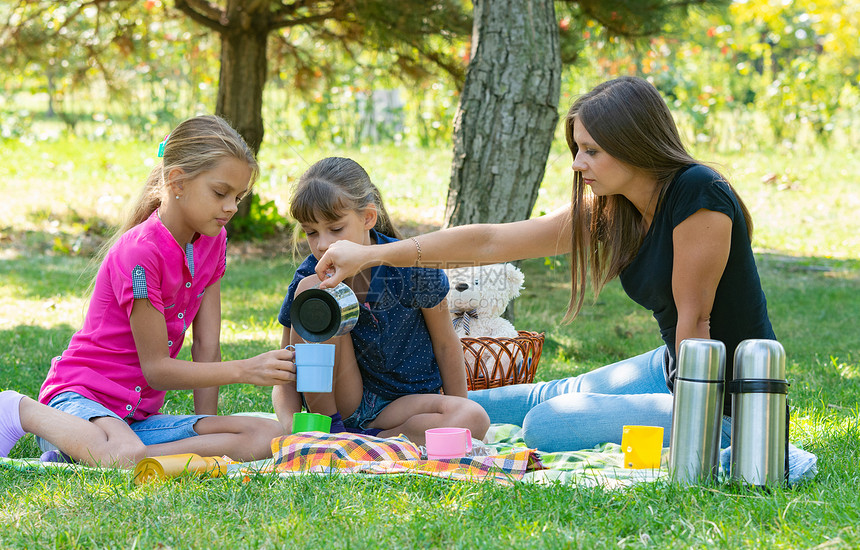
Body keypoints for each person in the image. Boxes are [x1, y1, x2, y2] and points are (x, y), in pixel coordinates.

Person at [312, 77, 777, 453]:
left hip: (724, 402)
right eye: (577, 148)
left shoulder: (698, 192)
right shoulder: (617, 208)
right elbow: (494, 241)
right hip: (671, 366)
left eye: (592, 150)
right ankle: (370, 432)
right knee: (484, 406)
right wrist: (374, 252)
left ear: (634, 143)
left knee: (548, 424)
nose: (578, 163)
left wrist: (693, 430)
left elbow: (696, 323)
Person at [0, 115, 292, 468]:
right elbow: (157, 370)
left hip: (135, 420)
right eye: (220, 193)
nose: (231, 207)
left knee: (268, 436)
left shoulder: (214, 243)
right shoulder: (140, 253)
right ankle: (18, 409)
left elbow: (207, 347)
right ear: (177, 182)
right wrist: (245, 370)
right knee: (126, 452)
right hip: (78, 400)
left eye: (238, 196)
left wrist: (208, 435)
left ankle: (87, 453)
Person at [272, 157, 489, 444]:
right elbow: (287, 363)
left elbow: (446, 345)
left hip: (404, 405)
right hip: (345, 401)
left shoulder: (413, 266)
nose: (322, 244)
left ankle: (368, 440)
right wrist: (292, 426)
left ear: (368, 218)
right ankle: (329, 433)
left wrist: (459, 415)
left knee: (473, 417)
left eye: (335, 229)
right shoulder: (309, 275)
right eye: (311, 232)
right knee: (314, 290)